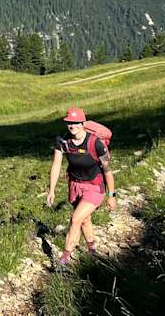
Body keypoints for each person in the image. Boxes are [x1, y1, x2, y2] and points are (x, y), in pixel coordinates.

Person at [46, 107, 116, 265]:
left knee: (75, 218)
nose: (72, 126)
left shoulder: (95, 143)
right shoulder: (62, 141)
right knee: (84, 220)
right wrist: (51, 190)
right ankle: (92, 251)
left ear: (83, 123)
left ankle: (64, 259)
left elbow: (107, 170)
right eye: (69, 123)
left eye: (76, 122)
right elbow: (56, 165)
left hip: (95, 186)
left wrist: (112, 195)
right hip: (75, 185)